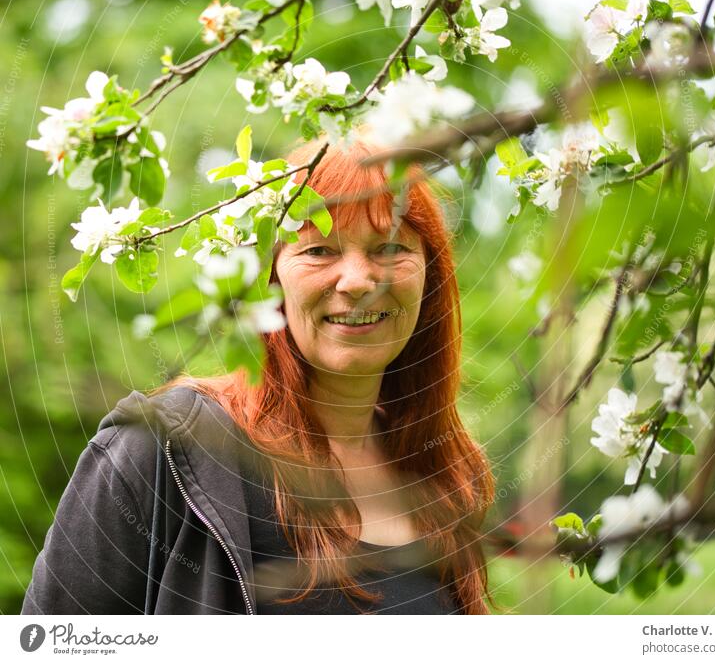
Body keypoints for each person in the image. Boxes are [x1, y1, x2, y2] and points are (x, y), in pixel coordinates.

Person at [22, 134, 496, 615]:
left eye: (389, 247)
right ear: (270, 279)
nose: (357, 281)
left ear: (429, 278)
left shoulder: (446, 478)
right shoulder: (168, 447)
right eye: (318, 251)